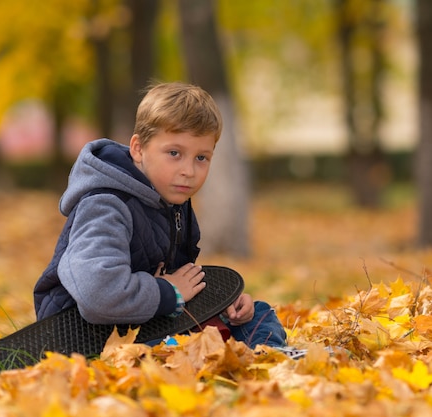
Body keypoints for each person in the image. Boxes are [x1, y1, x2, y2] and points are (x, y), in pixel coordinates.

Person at [33, 81, 287, 349]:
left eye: (201, 158)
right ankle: (234, 357)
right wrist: (169, 292)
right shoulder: (106, 205)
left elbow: (177, 280)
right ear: (138, 149)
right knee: (177, 345)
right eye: (174, 153)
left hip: (147, 317)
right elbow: (97, 294)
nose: (188, 170)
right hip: (88, 335)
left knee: (256, 313)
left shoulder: (171, 201)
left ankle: (267, 358)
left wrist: (222, 305)